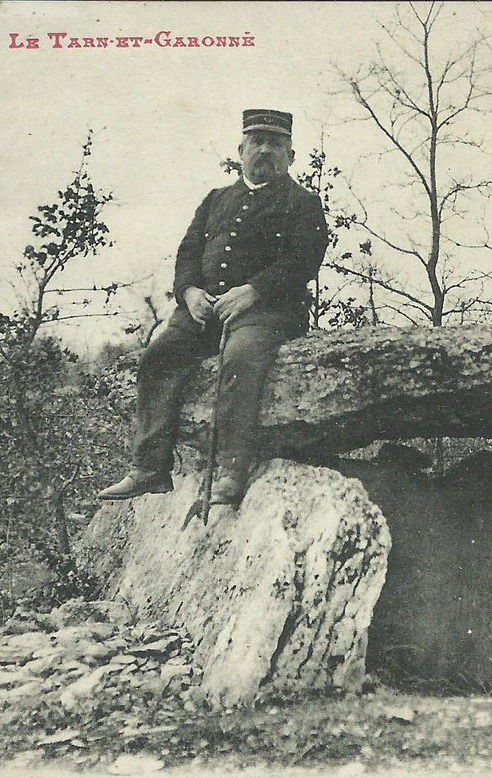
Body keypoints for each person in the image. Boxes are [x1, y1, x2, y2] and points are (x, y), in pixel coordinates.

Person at [99, 108, 328, 506]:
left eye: (275, 144)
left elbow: (303, 259)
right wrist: (189, 292)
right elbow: (189, 251)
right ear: (241, 151)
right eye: (257, 142)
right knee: (160, 355)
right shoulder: (216, 199)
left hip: (268, 312)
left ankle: (232, 470)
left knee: (239, 359)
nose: (265, 151)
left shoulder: (303, 202)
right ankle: (150, 468)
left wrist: (255, 290)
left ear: (290, 155)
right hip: (204, 311)